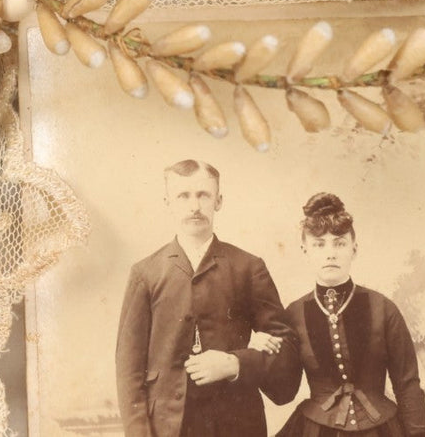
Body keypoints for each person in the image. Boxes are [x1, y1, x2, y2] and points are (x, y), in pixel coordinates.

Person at [116, 159, 299, 437]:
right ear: (168, 203)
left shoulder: (248, 267)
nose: (194, 206)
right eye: (183, 196)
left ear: (219, 201)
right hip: (167, 428)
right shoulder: (145, 273)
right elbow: (128, 369)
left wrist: (235, 363)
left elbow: (286, 352)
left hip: (237, 425)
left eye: (203, 195)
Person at [274, 193, 425, 437]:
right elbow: (282, 391)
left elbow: (407, 383)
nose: (330, 253)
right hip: (315, 429)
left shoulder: (383, 308)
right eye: (319, 244)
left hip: (381, 428)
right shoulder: (294, 314)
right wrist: (262, 354)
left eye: (339, 243)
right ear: (305, 251)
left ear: (354, 249)